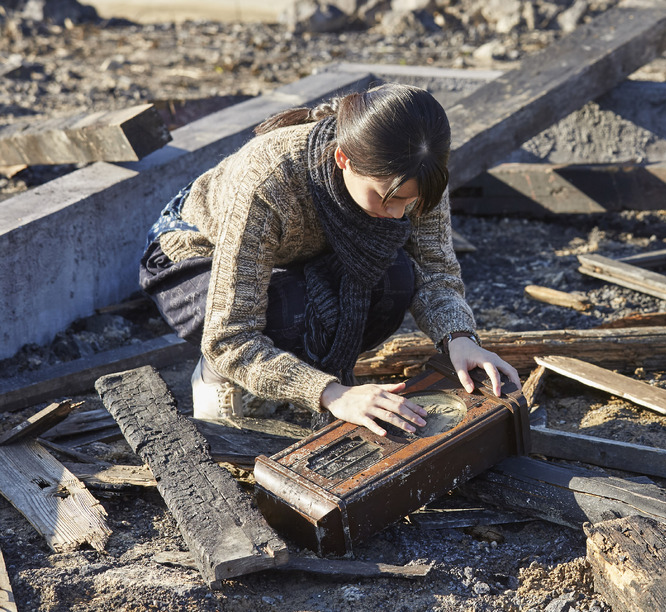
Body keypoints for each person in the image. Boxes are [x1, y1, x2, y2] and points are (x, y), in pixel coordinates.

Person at [139, 82, 520, 436]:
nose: (399, 214)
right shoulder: (268, 181)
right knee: (289, 313)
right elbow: (229, 336)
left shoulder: (418, 170)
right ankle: (214, 375)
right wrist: (331, 393)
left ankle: (288, 367)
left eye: (411, 202)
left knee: (395, 278)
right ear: (343, 159)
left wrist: (459, 338)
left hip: (302, 256)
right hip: (197, 260)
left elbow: (434, 270)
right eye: (387, 199)